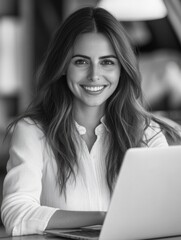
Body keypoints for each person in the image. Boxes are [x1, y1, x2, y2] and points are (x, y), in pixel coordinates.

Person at [1, 7, 181, 236]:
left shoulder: (147, 131)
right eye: (81, 62)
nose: (94, 75)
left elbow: (168, 211)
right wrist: (104, 217)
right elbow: (16, 215)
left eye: (107, 62)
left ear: (121, 69)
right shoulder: (32, 131)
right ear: (64, 66)